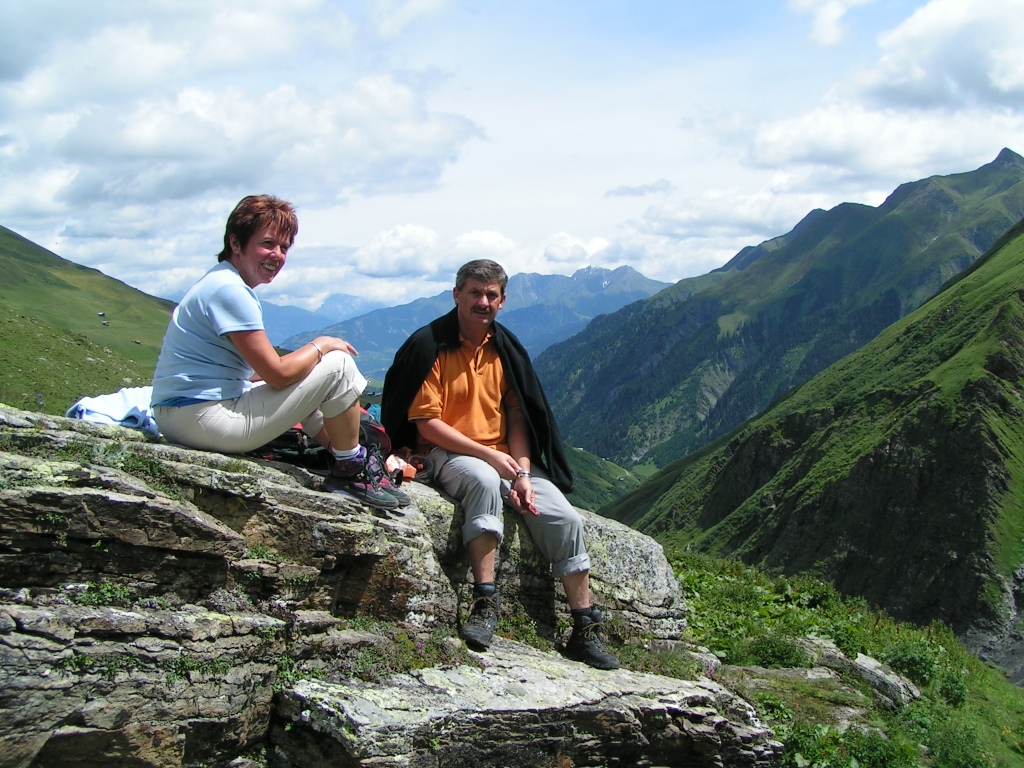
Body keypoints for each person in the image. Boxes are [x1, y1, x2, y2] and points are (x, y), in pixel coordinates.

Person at [381, 259, 619, 669]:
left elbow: (516, 416)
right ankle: (484, 600)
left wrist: (523, 472)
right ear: (456, 295)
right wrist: (490, 456)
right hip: (445, 452)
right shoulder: (431, 345)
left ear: (503, 300)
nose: (483, 301)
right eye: (474, 292)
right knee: (484, 480)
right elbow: (426, 423)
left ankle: (584, 626)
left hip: (504, 456)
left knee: (565, 518)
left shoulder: (503, 349)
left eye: (491, 294)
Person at [151, 194, 407, 510]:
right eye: (268, 244)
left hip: (182, 416)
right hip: (203, 419)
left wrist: (307, 372)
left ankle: (357, 462)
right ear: (236, 242)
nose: (277, 255)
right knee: (338, 364)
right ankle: (351, 470)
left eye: (284, 247)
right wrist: (322, 344)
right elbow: (276, 375)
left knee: (312, 379)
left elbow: (258, 372)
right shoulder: (230, 291)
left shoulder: (220, 282)